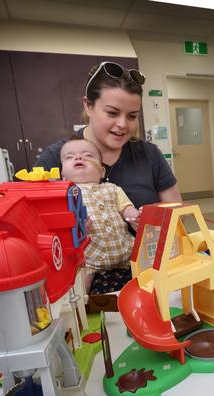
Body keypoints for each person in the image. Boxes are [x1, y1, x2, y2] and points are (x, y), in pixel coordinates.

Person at [38, 61, 182, 293]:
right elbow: (34, 230)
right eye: (112, 113)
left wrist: (148, 220)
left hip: (143, 276)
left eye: (132, 116)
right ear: (88, 105)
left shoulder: (149, 155)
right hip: (79, 279)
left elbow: (176, 215)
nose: (123, 125)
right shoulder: (56, 159)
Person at [60, 136, 139, 292]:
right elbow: (62, 225)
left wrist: (134, 216)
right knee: (80, 288)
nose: (79, 157)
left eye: (88, 155)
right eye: (69, 157)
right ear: (63, 175)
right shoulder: (66, 195)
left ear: (102, 171)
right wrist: (77, 227)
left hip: (126, 253)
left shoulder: (113, 189)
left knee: (143, 277)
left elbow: (126, 208)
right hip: (88, 260)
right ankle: (83, 308)